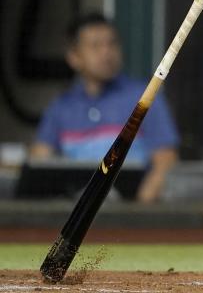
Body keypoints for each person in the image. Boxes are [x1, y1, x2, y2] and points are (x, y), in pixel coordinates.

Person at [30, 12, 179, 203]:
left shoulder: (145, 97)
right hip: (75, 216)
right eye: (95, 46)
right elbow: (40, 163)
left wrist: (138, 212)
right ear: (74, 57)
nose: (106, 53)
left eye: (112, 44)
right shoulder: (60, 107)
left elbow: (165, 162)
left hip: (131, 217)